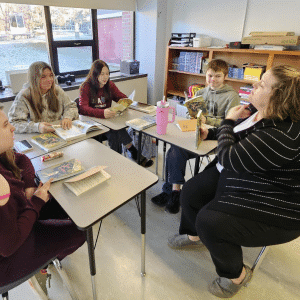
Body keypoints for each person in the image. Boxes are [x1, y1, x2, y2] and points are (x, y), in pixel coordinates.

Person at [167, 65, 300, 298]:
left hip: (277, 201)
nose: (254, 86)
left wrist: (227, 121)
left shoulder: (283, 133)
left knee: (209, 221)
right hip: (246, 172)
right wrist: (217, 132)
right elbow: (241, 134)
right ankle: (193, 235)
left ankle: (236, 275)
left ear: (278, 96)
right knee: (190, 191)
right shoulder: (260, 112)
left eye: (262, 84)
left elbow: (229, 157)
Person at [0, 107, 86, 296]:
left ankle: (46, 258)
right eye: (6, 125)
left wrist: (30, 187)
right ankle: (42, 265)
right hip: (7, 261)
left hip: (19, 217)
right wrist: (36, 202)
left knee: (68, 209)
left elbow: (22, 159)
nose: (13, 128)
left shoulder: (3, 155)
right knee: (79, 233)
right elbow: (9, 246)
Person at [151, 59, 240, 214]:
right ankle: (174, 192)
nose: (213, 80)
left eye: (217, 76)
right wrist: (191, 115)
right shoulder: (200, 93)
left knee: (176, 151)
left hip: (216, 138)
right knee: (174, 150)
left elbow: (230, 122)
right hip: (197, 134)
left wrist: (208, 120)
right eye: (210, 75)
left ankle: (173, 191)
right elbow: (189, 114)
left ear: (225, 76)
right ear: (205, 75)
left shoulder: (232, 96)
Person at [79, 59, 153, 167]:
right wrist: (101, 113)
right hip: (92, 124)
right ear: (95, 74)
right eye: (102, 74)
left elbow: (120, 96)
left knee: (116, 129)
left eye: (107, 74)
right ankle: (131, 151)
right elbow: (83, 108)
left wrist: (125, 101)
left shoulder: (109, 85)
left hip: (107, 120)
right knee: (115, 131)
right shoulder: (86, 87)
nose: (105, 77)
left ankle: (118, 160)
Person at [8, 61, 79, 134]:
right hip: (36, 134)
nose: (49, 80)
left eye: (51, 75)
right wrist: (37, 127)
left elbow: (71, 106)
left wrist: (67, 117)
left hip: (58, 131)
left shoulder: (57, 90)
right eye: (43, 76)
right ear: (34, 79)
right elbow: (14, 123)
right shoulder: (24, 96)